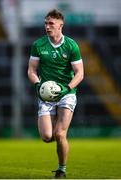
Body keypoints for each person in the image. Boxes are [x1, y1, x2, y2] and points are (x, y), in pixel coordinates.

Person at [28, 9, 84, 179]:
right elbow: (31, 70)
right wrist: (38, 85)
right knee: (47, 136)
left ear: (61, 25)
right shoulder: (38, 45)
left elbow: (79, 73)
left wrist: (67, 88)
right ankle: (61, 141)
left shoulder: (71, 45)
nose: (47, 26)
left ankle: (62, 169)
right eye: (45, 23)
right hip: (45, 94)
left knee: (60, 134)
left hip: (67, 93)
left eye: (51, 23)